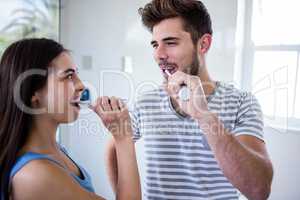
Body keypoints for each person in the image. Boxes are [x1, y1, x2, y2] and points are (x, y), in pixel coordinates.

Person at [106, 0, 273, 199]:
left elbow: (258, 190)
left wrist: (204, 115)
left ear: (203, 44)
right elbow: (114, 148)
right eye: (155, 44)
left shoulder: (242, 103)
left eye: (170, 43)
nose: (158, 55)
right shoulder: (146, 102)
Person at [0, 38, 141, 200]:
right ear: (33, 92)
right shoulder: (36, 175)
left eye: (76, 74)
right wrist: (123, 137)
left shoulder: (56, 151)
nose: (81, 85)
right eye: (68, 76)